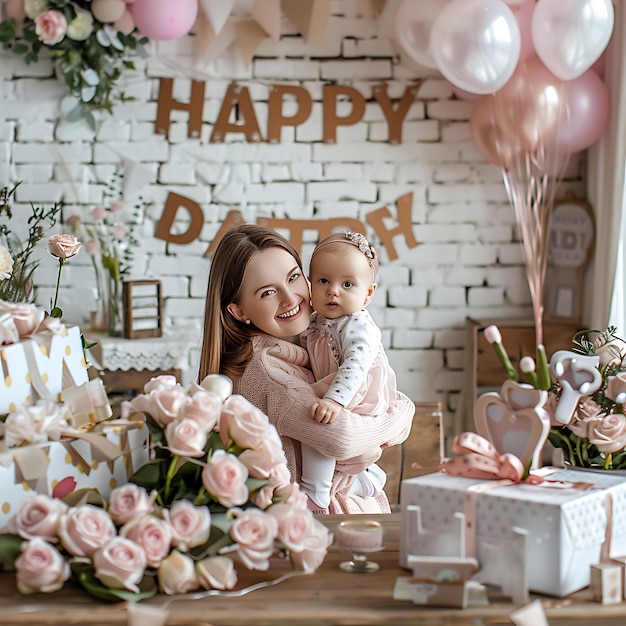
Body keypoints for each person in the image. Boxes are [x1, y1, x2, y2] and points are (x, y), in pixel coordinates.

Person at [198, 224, 414, 514]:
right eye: (268, 292)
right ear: (239, 311)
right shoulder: (268, 371)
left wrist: (373, 439)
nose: (291, 298)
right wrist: (401, 414)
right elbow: (341, 438)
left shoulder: (314, 337)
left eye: (294, 277)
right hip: (324, 523)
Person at [298, 231, 397, 509]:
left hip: (357, 393)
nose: (333, 290)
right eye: (323, 281)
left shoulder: (357, 324)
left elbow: (356, 364)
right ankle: (365, 481)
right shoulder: (317, 320)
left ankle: (314, 489)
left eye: (348, 284)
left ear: (368, 294)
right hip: (338, 388)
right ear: (310, 285)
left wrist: (334, 399)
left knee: (316, 427)